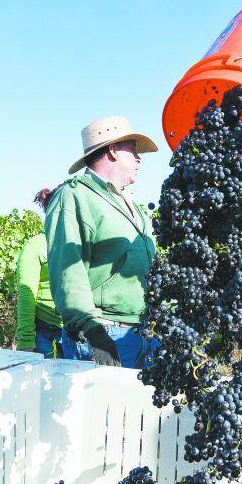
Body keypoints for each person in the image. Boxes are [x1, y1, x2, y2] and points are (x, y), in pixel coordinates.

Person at [45, 115, 159, 368]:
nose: (139, 158)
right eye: (133, 150)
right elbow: (68, 270)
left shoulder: (129, 204)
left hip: (142, 333)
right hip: (105, 334)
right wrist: (92, 332)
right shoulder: (75, 197)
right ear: (114, 150)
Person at [15, 188, 63, 357]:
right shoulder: (35, 245)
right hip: (45, 330)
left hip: (76, 330)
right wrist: (26, 340)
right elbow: (26, 293)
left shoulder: (80, 242)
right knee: (43, 380)